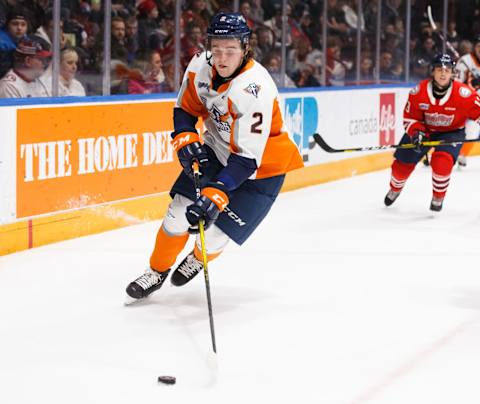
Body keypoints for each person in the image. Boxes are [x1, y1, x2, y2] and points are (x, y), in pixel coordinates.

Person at [126, 12, 304, 300]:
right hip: (218, 150)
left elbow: (246, 159)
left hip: (262, 169)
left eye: (230, 50)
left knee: (217, 235)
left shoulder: (254, 88)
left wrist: (214, 196)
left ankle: (198, 258)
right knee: (176, 216)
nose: (221, 58)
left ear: (245, 49)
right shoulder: (200, 64)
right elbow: (185, 109)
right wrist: (185, 138)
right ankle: (156, 272)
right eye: (216, 48)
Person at [384, 54, 480, 212]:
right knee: (400, 166)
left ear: (452, 73)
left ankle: (438, 196)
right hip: (424, 130)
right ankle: (395, 188)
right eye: (439, 69)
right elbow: (410, 118)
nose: (443, 73)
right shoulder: (418, 92)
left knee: (442, 162)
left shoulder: (466, 95)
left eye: (447, 70)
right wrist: (416, 133)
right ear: (432, 72)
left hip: (452, 132)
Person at [455, 35, 480, 167]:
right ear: (475, 47)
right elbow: (455, 83)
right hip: (462, 101)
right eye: (479, 46)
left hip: (476, 105)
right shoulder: (465, 61)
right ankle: (435, 152)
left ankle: (462, 154)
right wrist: (468, 85)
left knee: (472, 129)